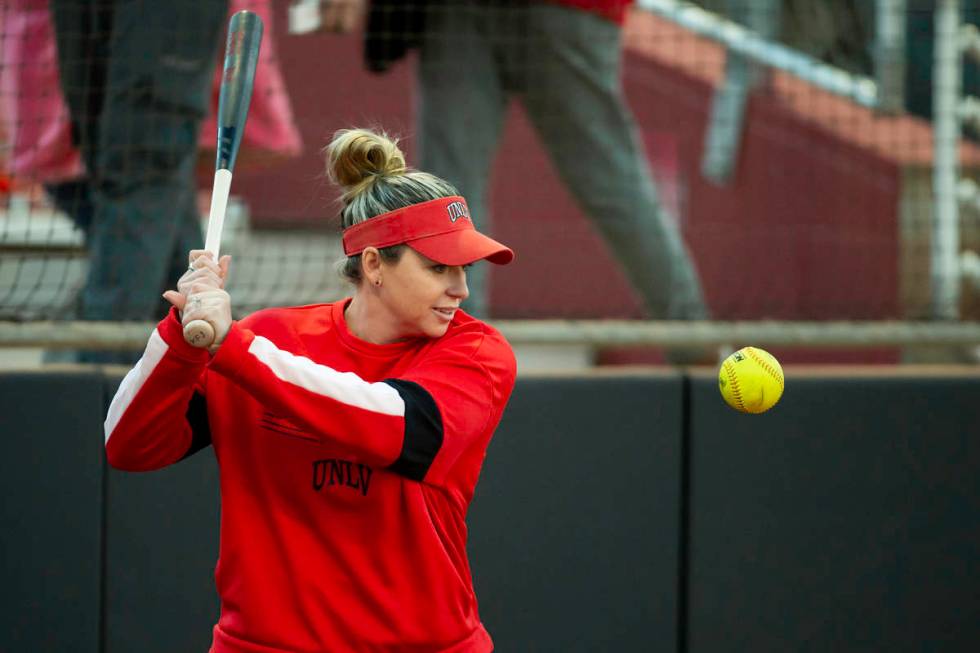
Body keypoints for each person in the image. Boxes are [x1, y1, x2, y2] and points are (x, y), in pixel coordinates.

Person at [104, 127, 517, 652]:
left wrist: (235, 347)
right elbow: (130, 445)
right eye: (439, 267)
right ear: (373, 265)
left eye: (464, 268)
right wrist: (179, 335)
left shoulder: (478, 352)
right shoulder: (272, 339)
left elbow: (397, 427)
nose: (460, 288)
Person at [321, 0, 709, 324]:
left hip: (557, 10)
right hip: (469, 10)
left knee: (608, 187)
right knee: (447, 198)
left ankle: (699, 350)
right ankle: (454, 355)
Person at [47, 0, 229, 361]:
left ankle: (102, 384)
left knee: (142, 166)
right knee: (120, 168)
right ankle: (190, 369)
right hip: (108, 42)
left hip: (159, 37)